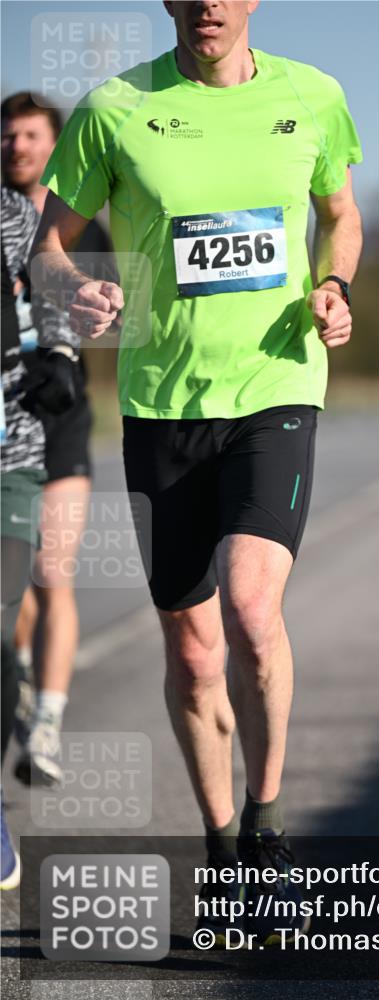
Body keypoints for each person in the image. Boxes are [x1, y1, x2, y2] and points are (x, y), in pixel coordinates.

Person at [31, 0, 363, 946]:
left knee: (254, 612)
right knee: (193, 651)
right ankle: (220, 847)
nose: (209, 4)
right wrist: (76, 289)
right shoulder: (115, 108)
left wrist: (333, 287)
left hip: (277, 386)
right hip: (161, 406)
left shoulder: (314, 98)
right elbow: (46, 246)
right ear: (170, 3)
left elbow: (341, 218)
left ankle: (265, 830)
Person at [1, 91, 113, 785]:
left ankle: (46, 721)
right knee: (15, 587)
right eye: (7, 137)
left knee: (54, 572)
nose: (16, 146)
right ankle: (16, 668)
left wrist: (68, 350)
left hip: (63, 414)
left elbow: (115, 315)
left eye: (30, 136)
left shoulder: (83, 229)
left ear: (55, 142)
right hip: (6, 418)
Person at [1, 185, 78, 887]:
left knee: (7, 624)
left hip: (12, 453)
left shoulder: (16, 215)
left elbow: (49, 290)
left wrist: (58, 353)